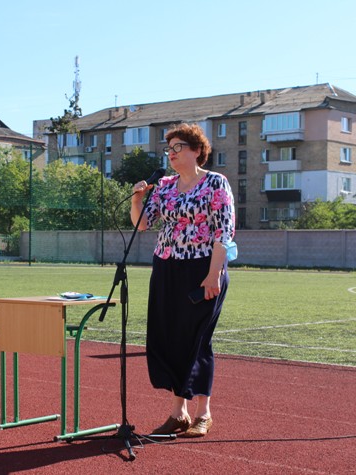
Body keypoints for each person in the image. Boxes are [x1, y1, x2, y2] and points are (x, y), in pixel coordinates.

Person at [130, 123, 235, 438]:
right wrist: (137, 200)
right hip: (166, 267)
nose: (172, 153)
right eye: (169, 149)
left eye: (178, 147)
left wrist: (214, 274)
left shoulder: (215, 183)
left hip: (203, 268)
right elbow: (143, 224)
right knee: (170, 339)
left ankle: (203, 413)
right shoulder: (164, 185)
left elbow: (224, 231)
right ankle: (178, 413)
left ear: (197, 150)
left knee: (197, 339)